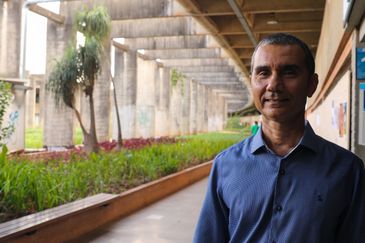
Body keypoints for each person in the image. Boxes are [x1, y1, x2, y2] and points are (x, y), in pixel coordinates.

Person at [193, 33, 365, 243]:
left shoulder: (347, 170)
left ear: (312, 84)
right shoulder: (225, 165)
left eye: (289, 72)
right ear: (253, 83)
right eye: (263, 73)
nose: (274, 85)